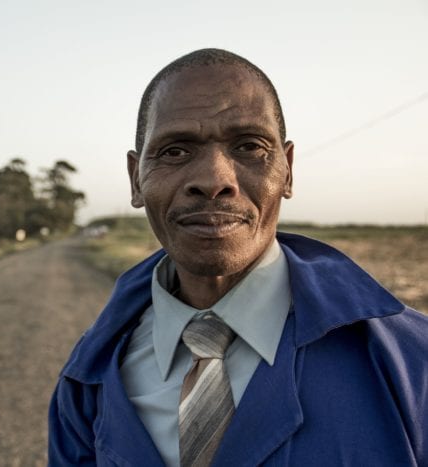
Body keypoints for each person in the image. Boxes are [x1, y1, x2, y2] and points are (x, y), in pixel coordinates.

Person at [48, 48, 427, 466]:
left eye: (249, 146)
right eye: (175, 151)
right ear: (136, 179)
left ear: (288, 170)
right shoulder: (89, 380)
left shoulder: (412, 364)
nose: (214, 180)